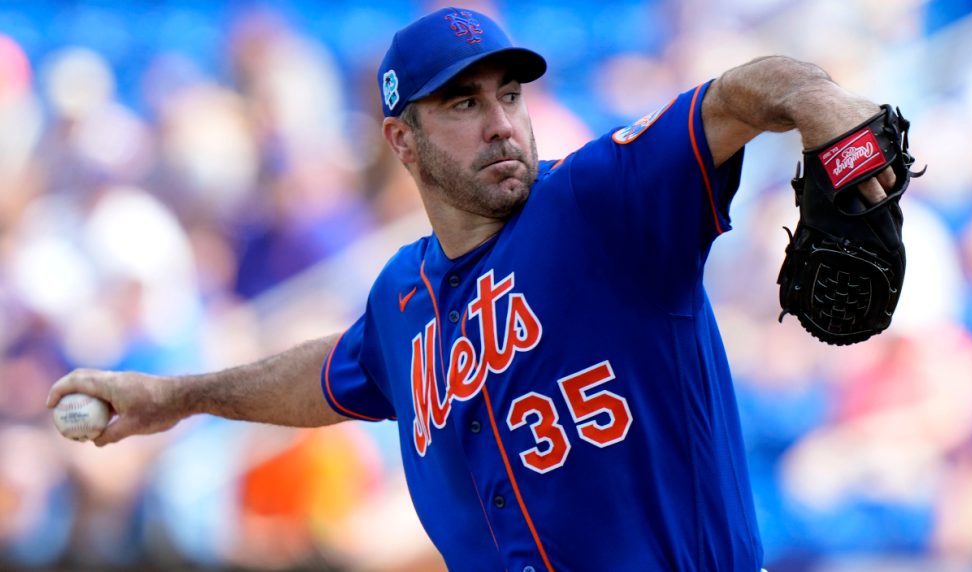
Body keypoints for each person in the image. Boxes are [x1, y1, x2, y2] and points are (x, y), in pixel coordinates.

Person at [48, 7, 900, 572]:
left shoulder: (602, 200)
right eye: (461, 102)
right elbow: (331, 376)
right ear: (403, 140)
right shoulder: (400, 299)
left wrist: (824, 111)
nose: (499, 120)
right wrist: (176, 396)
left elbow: (750, 93)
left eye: (510, 93)